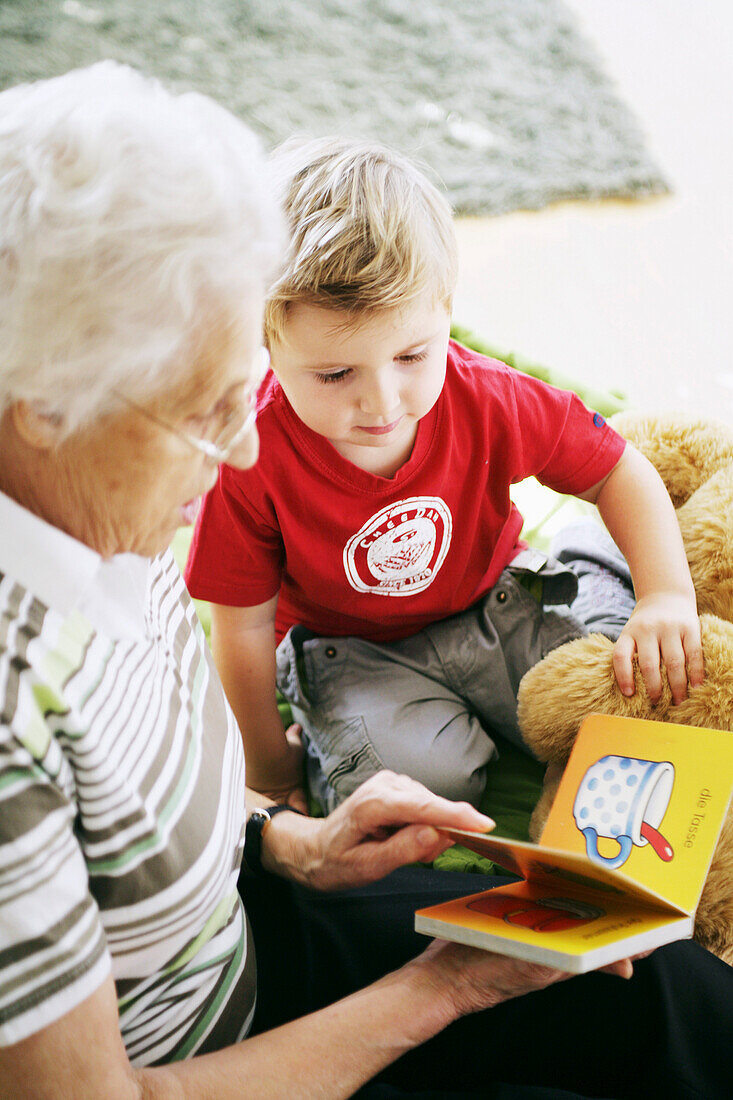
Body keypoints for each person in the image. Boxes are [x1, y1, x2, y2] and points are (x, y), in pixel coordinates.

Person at [5, 60, 730, 1100]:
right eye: (205, 408)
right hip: (211, 1058)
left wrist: (287, 839)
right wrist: (442, 992)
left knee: (652, 982)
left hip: (260, 917)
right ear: (47, 399)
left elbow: (148, 816)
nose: (244, 452)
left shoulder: (105, 502)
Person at [184, 136, 704, 815]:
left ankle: (599, 569)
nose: (380, 401)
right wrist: (269, 766)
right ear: (263, 342)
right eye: (335, 374)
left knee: (623, 706)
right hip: (356, 655)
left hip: (496, 605)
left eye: (410, 355)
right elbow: (242, 629)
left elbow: (616, 471)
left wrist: (665, 595)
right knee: (412, 790)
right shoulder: (248, 458)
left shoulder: (484, 396)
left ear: (446, 309)